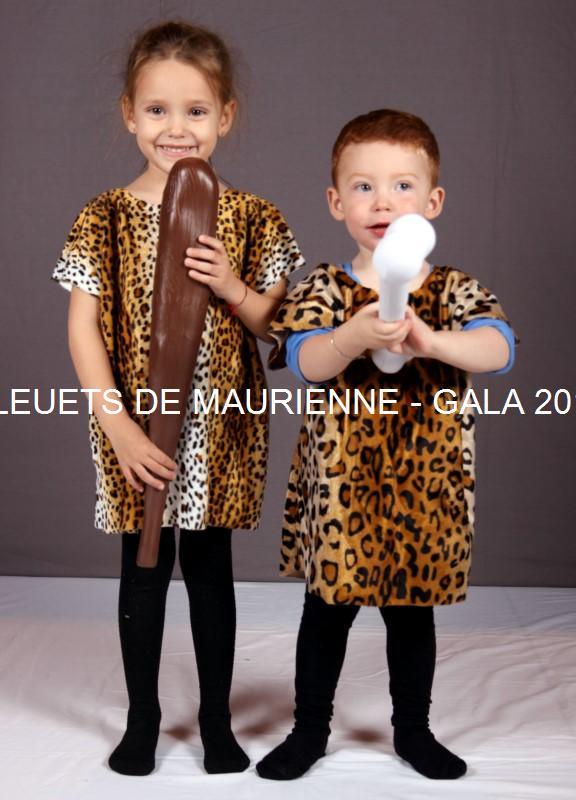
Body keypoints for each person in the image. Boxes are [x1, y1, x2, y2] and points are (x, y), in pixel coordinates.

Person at [52, 20, 304, 777]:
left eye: (196, 110)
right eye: (157, 110)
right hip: (134, 425)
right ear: (129, 113)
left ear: (225, 115)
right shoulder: (103, 216)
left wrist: (231, 284)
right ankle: (144, 719)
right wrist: (119, 427)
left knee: (210, 566)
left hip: (220, 427)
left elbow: (276, 327)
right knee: (143, 563)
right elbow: (83, 328)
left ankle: (217, 723)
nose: (176, 128)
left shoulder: (252, 217)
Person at [257, 108, 516, 781]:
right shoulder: (324, 288)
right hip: (342, 492)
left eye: (402, 186)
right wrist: (352, 337)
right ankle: (309, 731)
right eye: (363, 187)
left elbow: (497, 349)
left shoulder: (454, 289)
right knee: (326, 615)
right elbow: (306, 360)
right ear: (335, 201)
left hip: (424, 491)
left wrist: (431, 342)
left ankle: (413, 731)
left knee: (411, 618)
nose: (382, 202)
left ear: (432, 202)